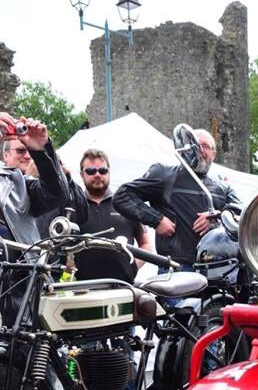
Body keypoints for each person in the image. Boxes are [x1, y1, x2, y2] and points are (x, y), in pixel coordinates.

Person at [113, 128, 241, 270]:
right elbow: (123, 195)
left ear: (214, 153)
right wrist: (156, 219)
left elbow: (242, 212)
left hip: (216, 268)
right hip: (176, 267)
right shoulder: (164, 174)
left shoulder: (222, 186)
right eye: (195, 145)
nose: (200, 151)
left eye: (205, 146)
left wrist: (216, 216)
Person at [70, 149, 152, 282]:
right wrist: (70, 269)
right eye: (91, 171)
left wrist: (133, 267)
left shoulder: (127, 204)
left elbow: (146, 244)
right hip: (81, 288)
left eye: (102, 170)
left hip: (122, 285)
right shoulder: (73, 206)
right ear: (81, 174)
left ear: (109, 172)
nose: (97, 175)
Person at [0, 112, 69, 245]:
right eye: (20, 150)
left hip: (21, 264)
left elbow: (55, 195)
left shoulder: (15, 182)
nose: (26, 156)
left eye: (28, 150)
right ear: (5, 155)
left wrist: (41, 151)